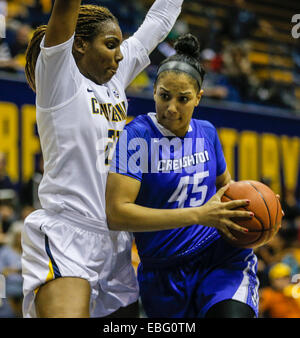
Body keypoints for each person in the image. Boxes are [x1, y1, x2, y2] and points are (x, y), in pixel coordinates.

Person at [21, 0, 185, 318]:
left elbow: (161, 19)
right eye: (110, 45)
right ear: (79, 44)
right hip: (67, 232)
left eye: (119, 46)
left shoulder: (113, 79)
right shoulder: (58, 78)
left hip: (115, 243)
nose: (120, 55)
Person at [106, 33, 260, 318]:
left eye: (183, 99)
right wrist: (198, 215)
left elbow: (227, 189)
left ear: (198, 98)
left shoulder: (207, 132)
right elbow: (117, 214)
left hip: (219, 259)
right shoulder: (136, 136)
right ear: (154, 91)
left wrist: (257, 208)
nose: (172, 107)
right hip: (162, 273)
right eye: (164, 96)